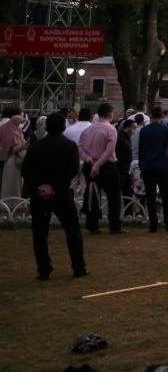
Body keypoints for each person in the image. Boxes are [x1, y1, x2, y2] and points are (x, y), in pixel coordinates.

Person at [21, 112, 86, 280]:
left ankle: (44, 268)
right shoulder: (69, 146)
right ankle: (78, 266)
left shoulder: (36, 146)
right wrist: (54, 187)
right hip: (61, 193)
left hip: (39, 194)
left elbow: (26, 171)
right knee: (72, 230)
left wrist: (40, 187)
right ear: (64, 127)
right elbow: (71, 170)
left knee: (40, 232)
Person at [78, 102, 124, 234]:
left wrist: (90, 161)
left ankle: (92, 225)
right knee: (113, 196)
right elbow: (109, 151)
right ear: (110, 114)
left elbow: (79, 147)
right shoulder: (110, 129)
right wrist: (97, 165)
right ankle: (114, 225)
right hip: (107, 166)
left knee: (93, 194)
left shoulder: (88, 129)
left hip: (90, 164)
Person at [138, 104, 168, 233]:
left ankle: (153, 225)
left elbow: (140, 149)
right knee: (166, 195)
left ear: (150, 115)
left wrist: (141, 164)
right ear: (161, 115)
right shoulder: (166, 129)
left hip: (148, 165)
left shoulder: (144, 130)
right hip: (162, 164)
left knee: (150, 196)